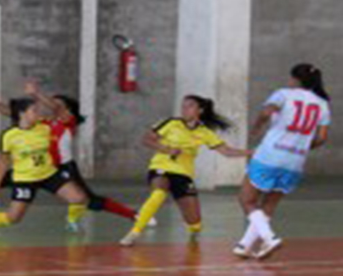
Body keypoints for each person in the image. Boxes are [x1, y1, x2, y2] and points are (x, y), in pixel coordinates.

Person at [0, 81, 139, 228]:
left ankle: (125, 215)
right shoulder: (37, 124)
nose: (47, 106)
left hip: (59, 168)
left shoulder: (64, 122)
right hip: (30, 167)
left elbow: (55, 110)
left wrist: (36, 95)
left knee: (87, 199)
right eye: (44, 104)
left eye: (53, 104)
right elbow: (15, 113)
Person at [119, 95, 251, 247]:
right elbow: (147, 139)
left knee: (195, 223)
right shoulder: (171, 123)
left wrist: (251, 153)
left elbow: (227, 152)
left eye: (189, 106)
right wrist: (167, 149)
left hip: (183, 174)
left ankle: (194, 230)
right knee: (159, 191)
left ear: (199, 110)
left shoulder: (205, 132)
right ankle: (134, 232)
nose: (184, 109)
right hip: (161, 166)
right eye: (183, 106)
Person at [234, 64, 332, 261]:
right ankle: (245, 245)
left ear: (295, 79)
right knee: (269, 203)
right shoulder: (322, 104)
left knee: (246, 199)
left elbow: (266, 113)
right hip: (295, 160)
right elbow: (321, 138)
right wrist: (302, 146)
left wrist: (256, 127)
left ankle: (269, 237)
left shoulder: (284, 94)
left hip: (270, 155)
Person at [0, 98, 91, 235]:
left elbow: (64, 115)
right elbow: (3, 163)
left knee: (79, 198)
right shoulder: (9, 135)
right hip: (25, 179)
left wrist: (36, 94)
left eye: (38, 110)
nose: (38, 113)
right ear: (22, 114)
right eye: (34, 111)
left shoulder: (44, 126)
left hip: (48, 174)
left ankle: (71, 222)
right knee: (14, 218)